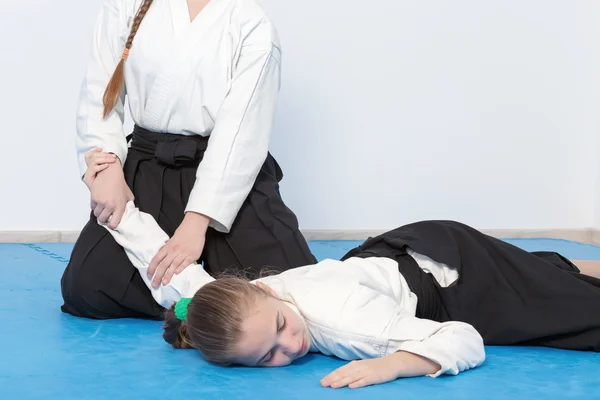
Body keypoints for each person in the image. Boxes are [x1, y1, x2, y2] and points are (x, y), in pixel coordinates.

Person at [84, 155, 600, 389]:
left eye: (282, 329)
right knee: (543, 278)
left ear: (263, 291)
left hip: (453, 276)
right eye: (269, 357)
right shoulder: (217, 303)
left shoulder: (354, 328)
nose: (292, 348)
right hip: (395, 252)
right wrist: (110, 192)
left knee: (583, 320)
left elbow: (463, 337)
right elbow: (160, 263)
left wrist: (393, 364)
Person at [60, 0, 317, 320]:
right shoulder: (127, 6)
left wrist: (197, 223)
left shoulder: (250, 22)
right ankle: (223, 311)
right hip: (148, 164)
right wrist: (107, 166)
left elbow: (242, 131)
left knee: (296, 289)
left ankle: (216, 307)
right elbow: (99, 90)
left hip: (226, 173)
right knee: (89, 288)